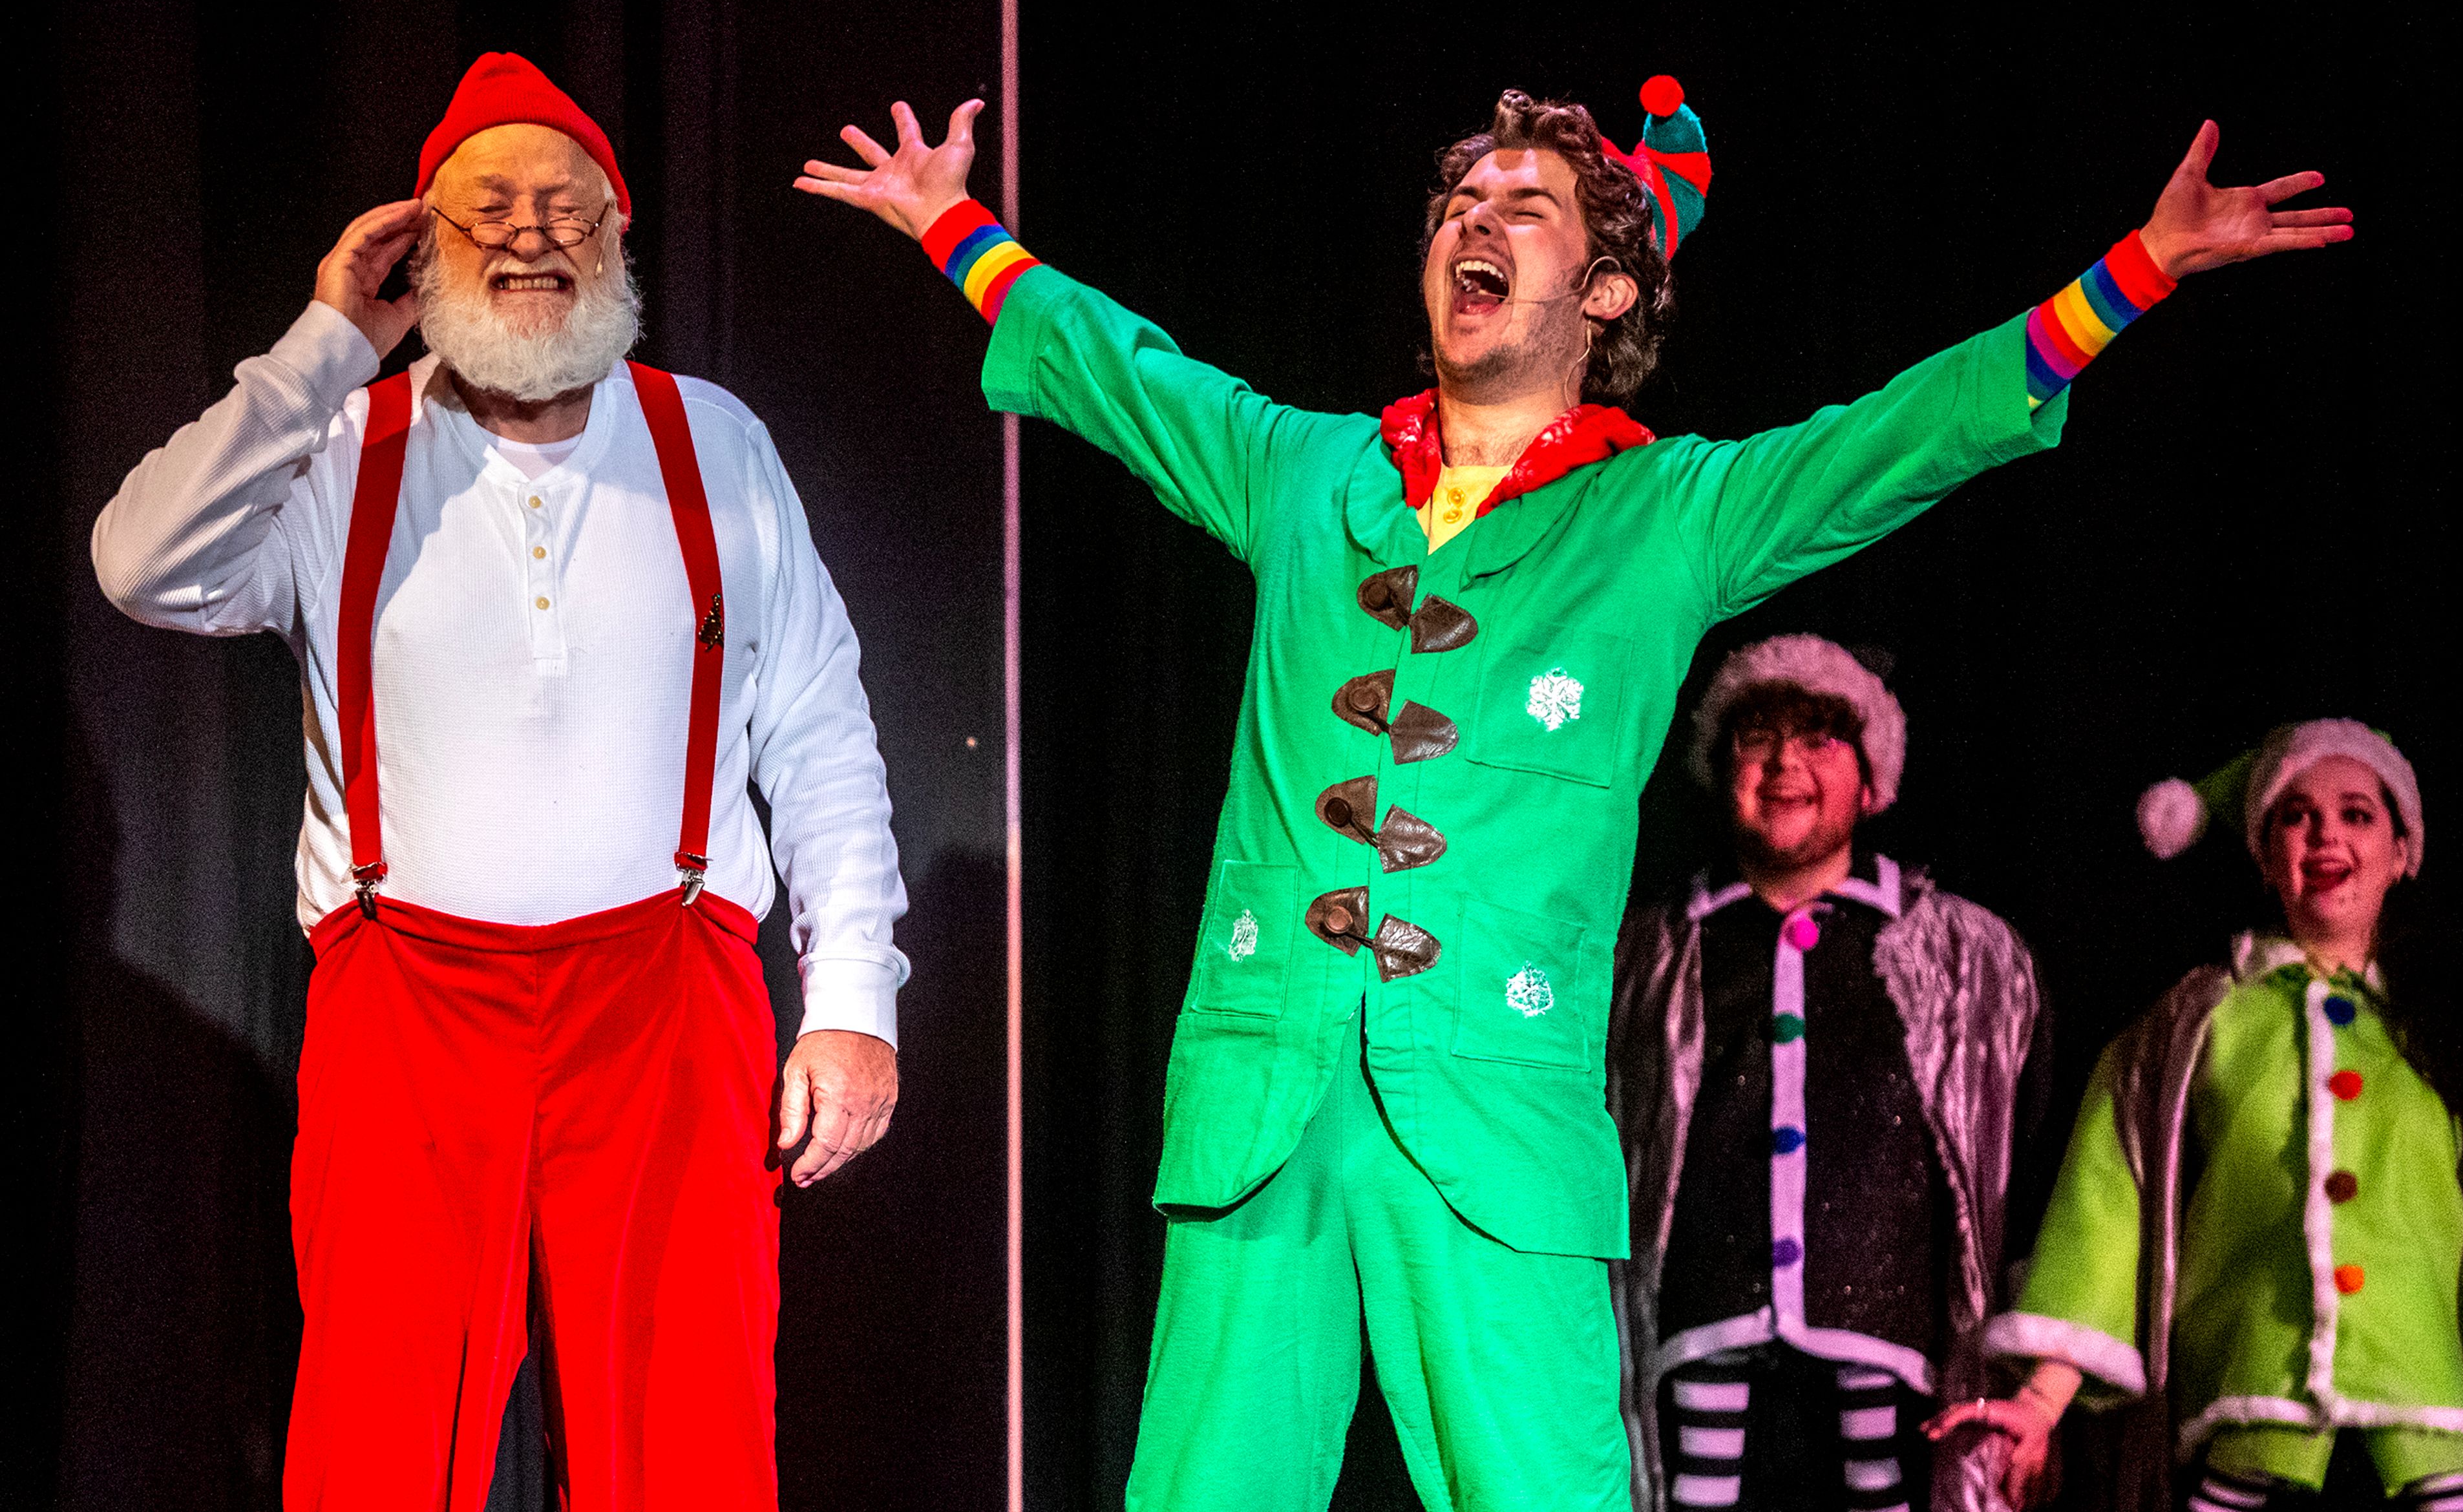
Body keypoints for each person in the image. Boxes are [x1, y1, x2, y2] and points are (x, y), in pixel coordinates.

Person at [799, 74, 2348, 1512]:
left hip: (1494, 1109)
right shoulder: (1302, 470)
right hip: (1259, 1094)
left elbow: (1900, 435)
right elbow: (1122, 372)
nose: (1473, 219)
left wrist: (2130, 269)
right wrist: (953, 223)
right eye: (1457, 203)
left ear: (1601, 290)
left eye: (1519, 204)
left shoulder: (1663, 514)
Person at [92, 52, 910, 1509]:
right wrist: (327, 338)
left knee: (691, 1448)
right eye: (488, 208)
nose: (533, 232)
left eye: (568, 206)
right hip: (404, 1008)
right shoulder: (337, 443)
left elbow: (820, 728)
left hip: (667, 1003)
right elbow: (141, 564)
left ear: (618, 239)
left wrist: (851, 999)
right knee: (376, 1445)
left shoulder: (715, 442)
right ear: (421, 246)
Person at [1934, 722, 2463, 1511]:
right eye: (2297, 814)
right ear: (2264, 857)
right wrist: (2044, 1398)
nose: (2326, 832)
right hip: (2249, 1405)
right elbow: (2111, 1203)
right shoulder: (2197, 1022)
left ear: (2404, 850)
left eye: (2358, 812)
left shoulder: (2444, 1029)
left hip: (2429, 1416)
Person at [1611, 635, 2047, 1512]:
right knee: (1694, 1489)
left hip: (1882, 1301)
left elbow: (2007, 1135)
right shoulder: (1656, 950)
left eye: (1819, 738)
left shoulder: (1949, 947)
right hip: (1707, 1296)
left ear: (1873, 777)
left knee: (1881, 1483)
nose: (1783, 762)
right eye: (1756, 736)